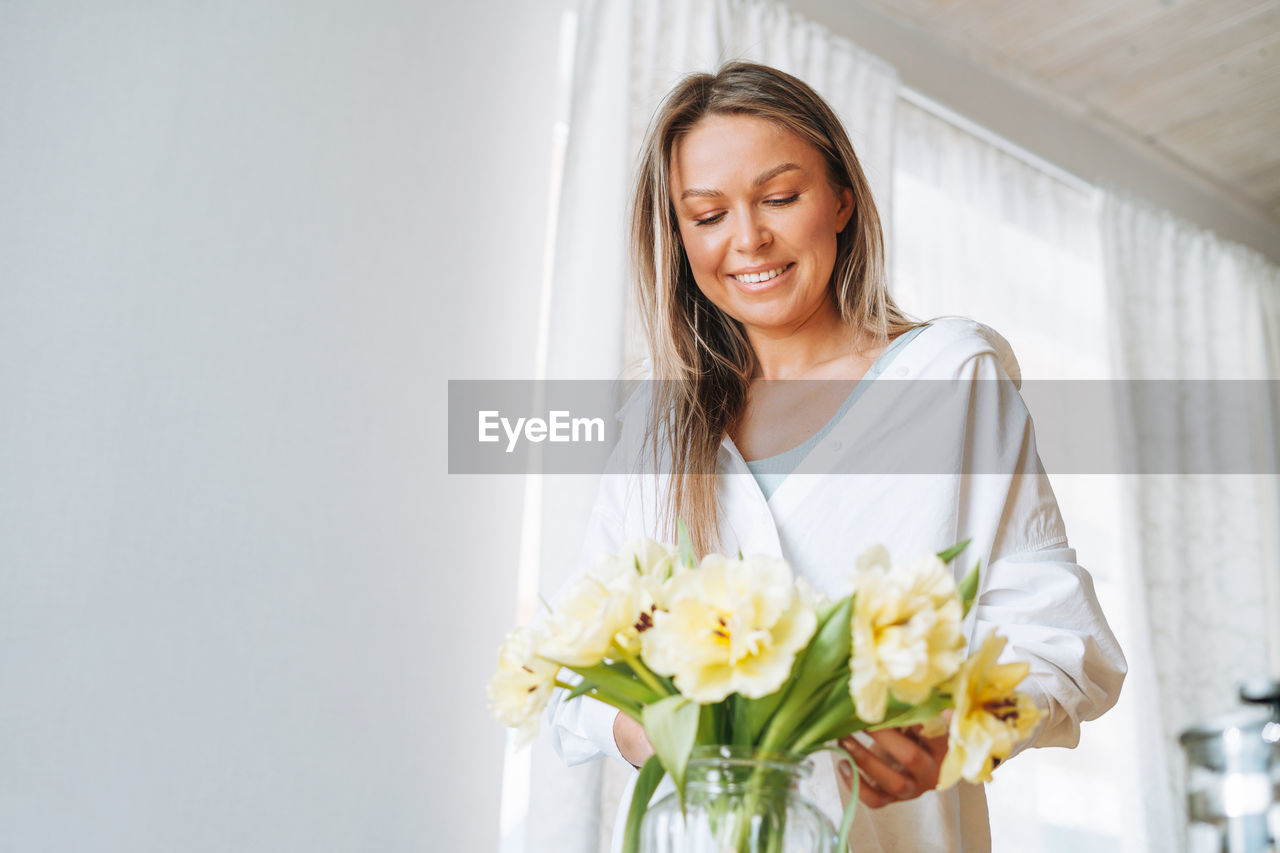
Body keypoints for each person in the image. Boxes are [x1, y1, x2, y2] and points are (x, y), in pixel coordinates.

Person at [549, 61, 1126, 853]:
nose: (748, 238)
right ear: (679, 238)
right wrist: (642, 726)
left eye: (780, 198)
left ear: (842, 199)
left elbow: (1064, 641)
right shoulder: (656, 423)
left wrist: (956, 724)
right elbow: (571, 669)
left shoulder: (948, 378)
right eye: (708, 213)